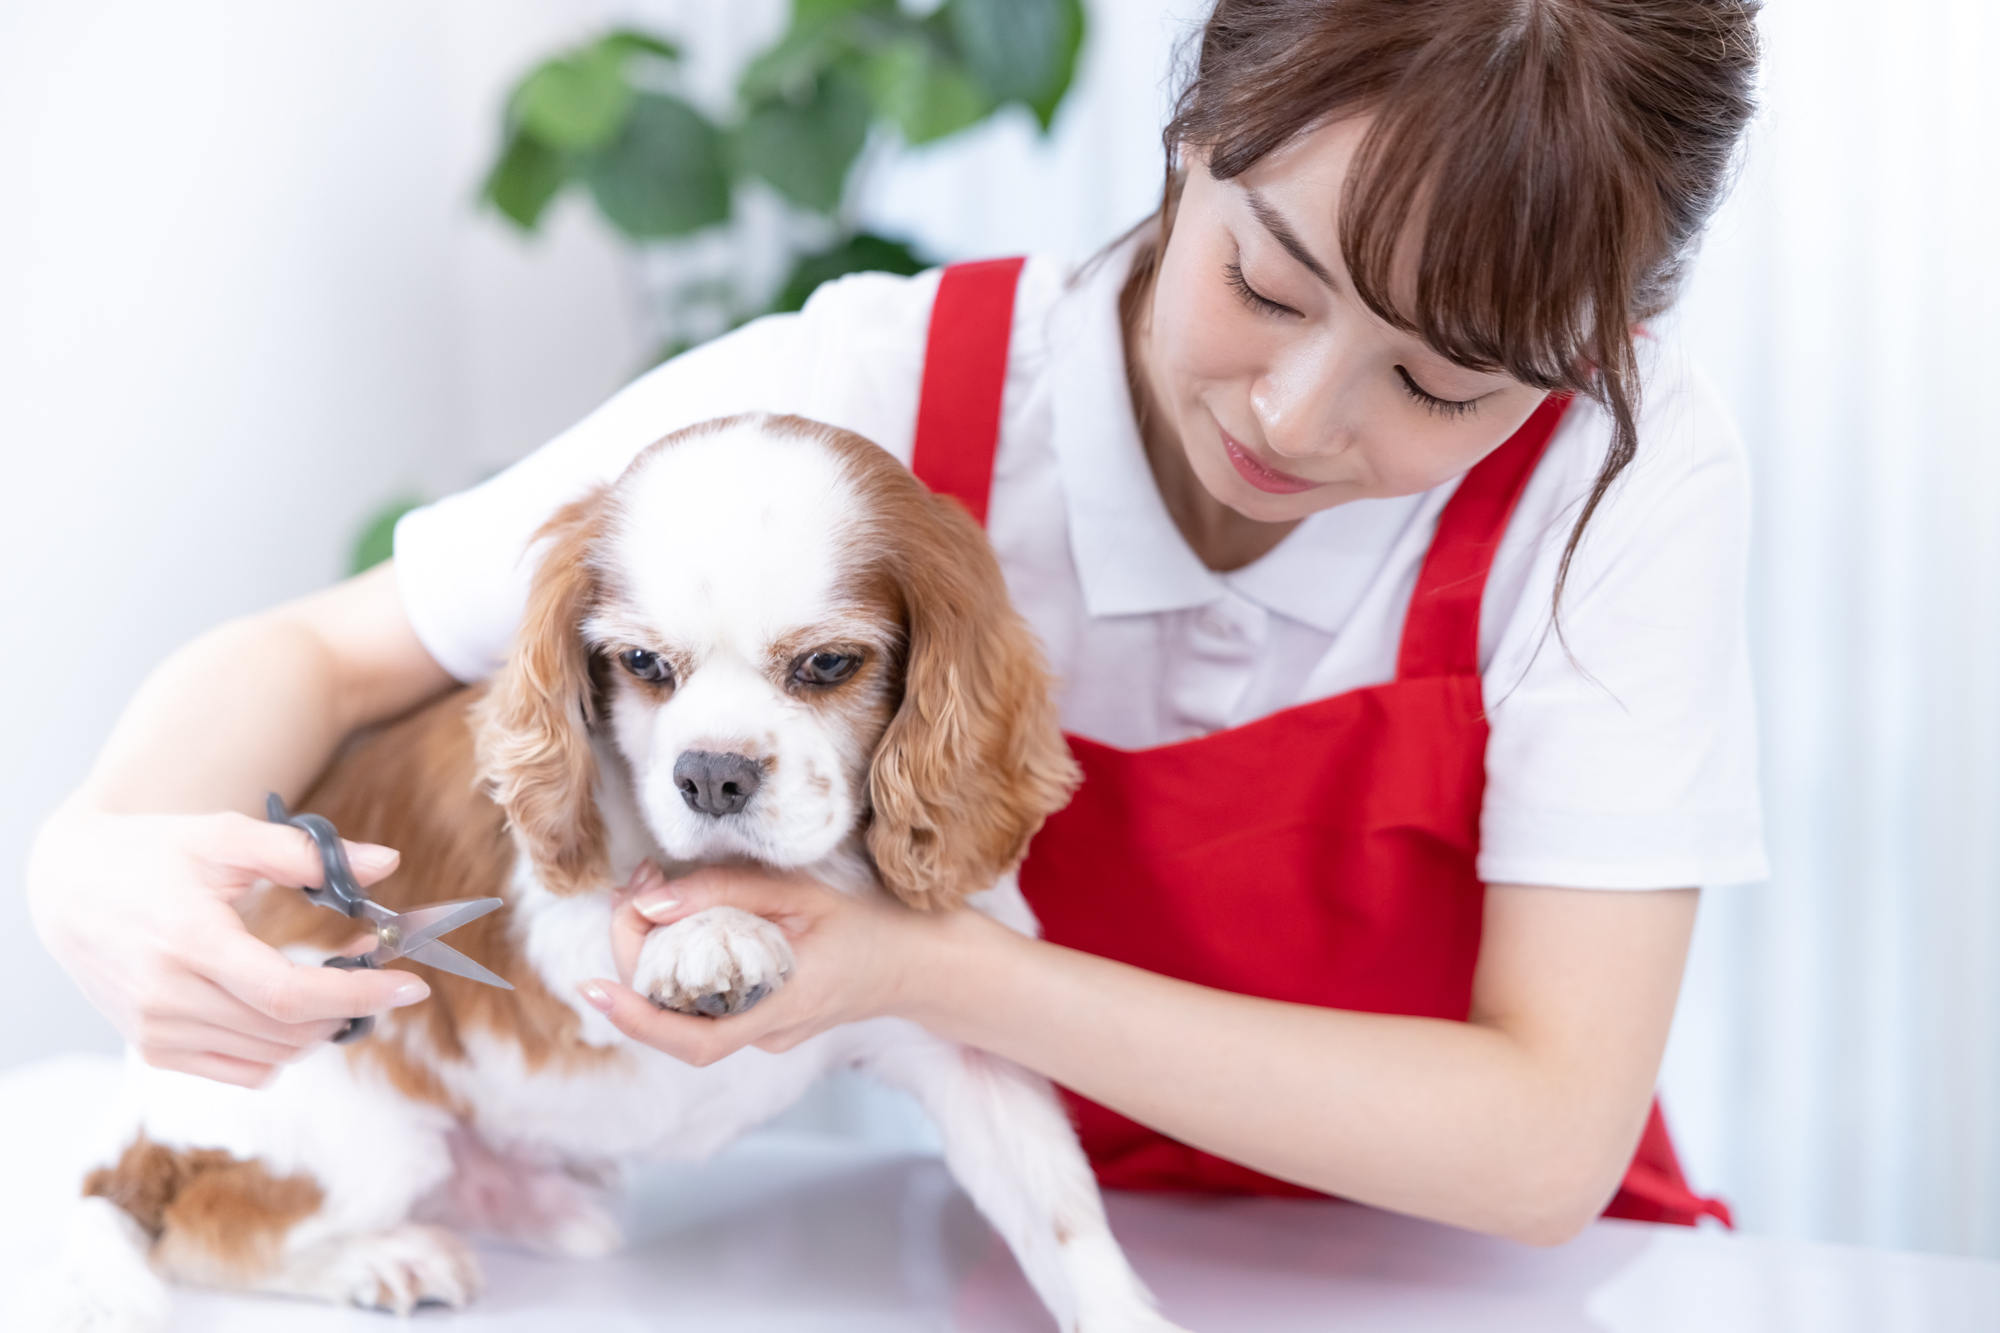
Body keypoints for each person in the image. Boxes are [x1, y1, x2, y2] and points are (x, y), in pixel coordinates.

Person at [28, 0, 1764, 1245]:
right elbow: (324, 653)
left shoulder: (1615, 479)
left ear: (1583, 360)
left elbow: (1547, 1143)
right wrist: (98, 857)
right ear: (1186, 136)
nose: (1302, 418)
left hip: (1480, 1267)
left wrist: (933, 972)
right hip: (1017, 1233)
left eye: (1442, 383)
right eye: (1266, 279)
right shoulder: (861, 400)